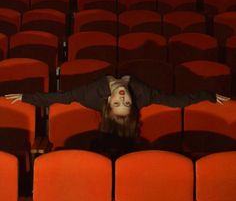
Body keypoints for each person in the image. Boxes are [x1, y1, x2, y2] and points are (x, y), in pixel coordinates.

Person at [5, 75, 230, 139]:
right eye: (126, 103)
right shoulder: (145, 95)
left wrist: (26, 97)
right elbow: (177, 101)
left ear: (107, 103)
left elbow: (59, 97)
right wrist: (208, 95)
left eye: (117, 103)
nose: (122, 96)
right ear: (135, 103)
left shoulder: (90, 95)